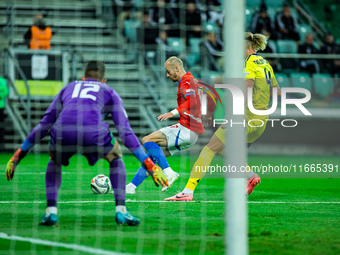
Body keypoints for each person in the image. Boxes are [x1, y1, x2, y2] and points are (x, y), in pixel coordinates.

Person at [5, 61, 168, 226]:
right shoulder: (108, 91)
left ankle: (51, 212)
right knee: (115, 153)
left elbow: (45, 124)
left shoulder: (68, 88)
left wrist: (18, 154)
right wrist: (148, 164)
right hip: (93, 132)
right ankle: (121, 210)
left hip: (63, 132)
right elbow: (125, 132)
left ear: (83, 78)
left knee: (54, 158)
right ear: (103, 80)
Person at [165, 32, 282, 201]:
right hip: (261, 121)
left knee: (209, 149)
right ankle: (250, 176)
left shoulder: (249, 65)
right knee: (224, 149)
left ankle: (187, 192)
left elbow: (246, 92)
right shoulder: (265, 64)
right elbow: (276, 92)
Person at [126, 56, 216, 194]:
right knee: (153, 156)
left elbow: (192, 101)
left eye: (168, 71)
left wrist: (172, 112)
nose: (167, 75)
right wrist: (208, 115)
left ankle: (169, 173)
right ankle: (131, 187)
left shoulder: (186, 82)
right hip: (192, 135)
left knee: (146, 140)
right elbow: (210, 97)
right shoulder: (195, 81)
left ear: (177, 69)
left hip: (186, 129)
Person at [0, 76, 9, 151]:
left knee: (1, 126)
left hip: (1, 106)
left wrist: (1, 95)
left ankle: (1, 145)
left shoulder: (2, 81)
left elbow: (6, 91)